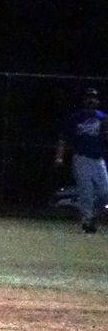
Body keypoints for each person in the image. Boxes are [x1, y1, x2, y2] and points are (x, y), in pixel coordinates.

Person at [53, 87, 108, 233]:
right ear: (84, 100)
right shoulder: (76, 118)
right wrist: (59, 156)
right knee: (87, 192)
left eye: (94, 98)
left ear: (98, 101)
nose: (92, 100)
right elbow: (63, 138)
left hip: (98, 159)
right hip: (82, 158)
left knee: (105, 192)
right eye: (89, 97)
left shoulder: (103, 117)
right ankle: (87, 221)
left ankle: (94, 215)